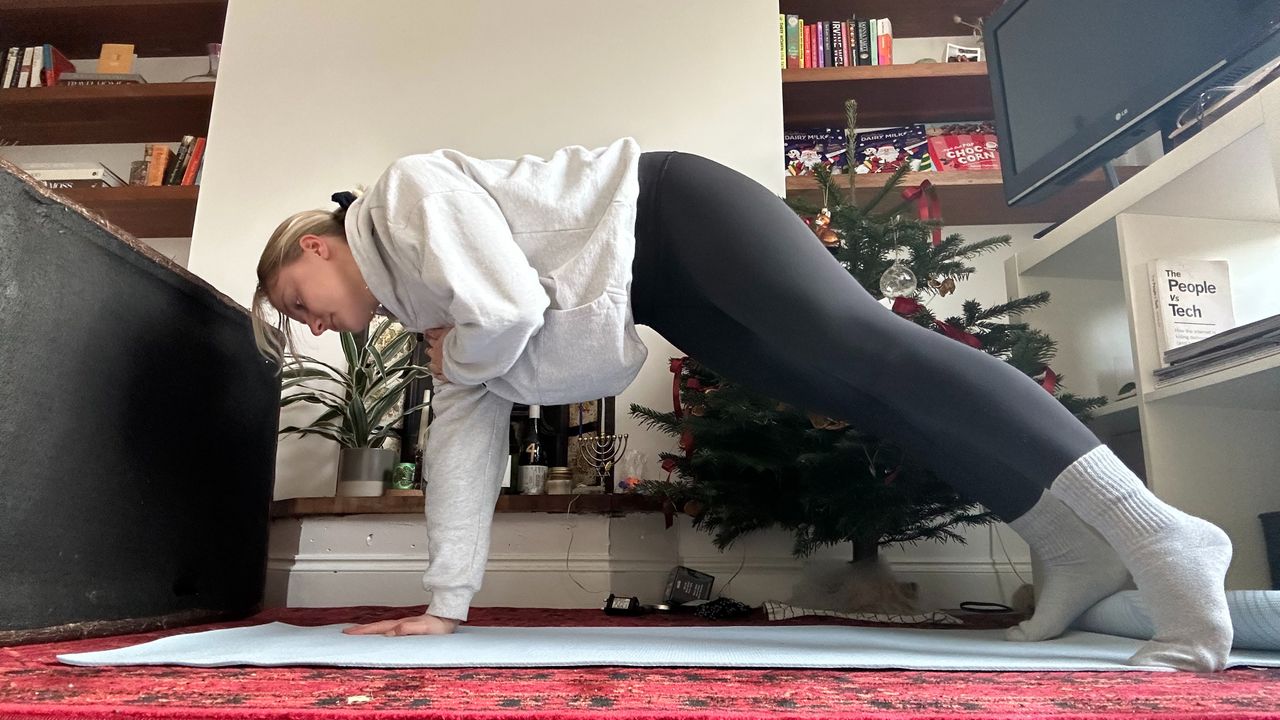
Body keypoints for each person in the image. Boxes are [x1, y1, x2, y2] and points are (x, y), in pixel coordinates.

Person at [251, 138, 1233, 671]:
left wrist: (467, 349)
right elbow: (474, 434)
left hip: (675, 211)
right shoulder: (440, 330)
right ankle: (1067, 548)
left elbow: (507, 313)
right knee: (857, 395)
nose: (322, 327)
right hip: (662, 290)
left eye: (304, 305)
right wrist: (443, 607)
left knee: (872, 351)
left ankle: (1158, 535)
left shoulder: (405, 196)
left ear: (318, 248)